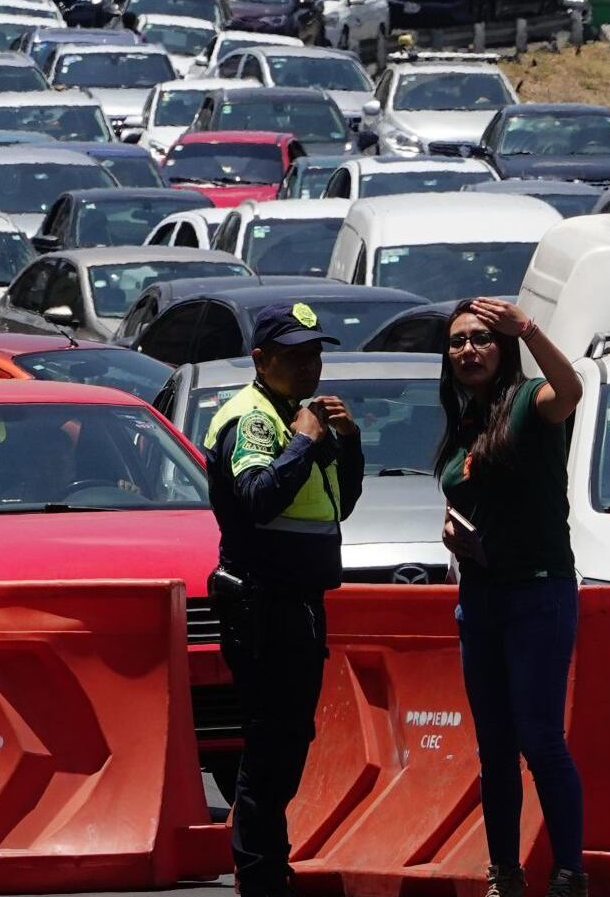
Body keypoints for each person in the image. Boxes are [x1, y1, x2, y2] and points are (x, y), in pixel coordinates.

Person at [203, 302, 365, 897]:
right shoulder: (253, 419)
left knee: (290, 739)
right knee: (272, 744)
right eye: (295, 356)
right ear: (261, 360)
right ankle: (260, 872)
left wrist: (345, 443)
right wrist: (302, 443)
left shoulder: (297, 416)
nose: (310, 366)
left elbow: (339, 504)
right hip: (264, 606)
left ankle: (268, 864)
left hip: (299, 604)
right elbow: (258, 499)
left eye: (316, 354)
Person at [435, 296, 586, 897]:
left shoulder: (530, 403)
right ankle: (505, 874)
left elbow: (570, 389)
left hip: (537, 595)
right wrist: (455, 532)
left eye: (481, 338)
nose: (468, 350)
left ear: (505, 348)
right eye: (457, 342)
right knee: (494, 749)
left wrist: (529, 327)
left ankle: (570, 874)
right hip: (482, 600)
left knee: (539, 739)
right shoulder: (466, 419)